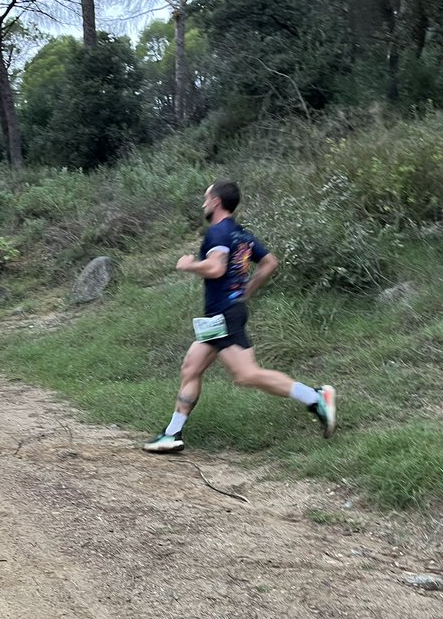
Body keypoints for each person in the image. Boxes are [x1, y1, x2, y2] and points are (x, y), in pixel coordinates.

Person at [142, 180, 336, 453]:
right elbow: (270, 262)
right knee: (191, 368)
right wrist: (247, 290)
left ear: (216, 202)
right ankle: (172, 433)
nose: (203, 204)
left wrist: (189, 265)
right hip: (220, 315)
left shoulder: (218, 233)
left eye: (206, 198)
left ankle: (316, 397)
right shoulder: (241, 234)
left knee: (246, 375)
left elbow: (216, 268)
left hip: (224, 315)